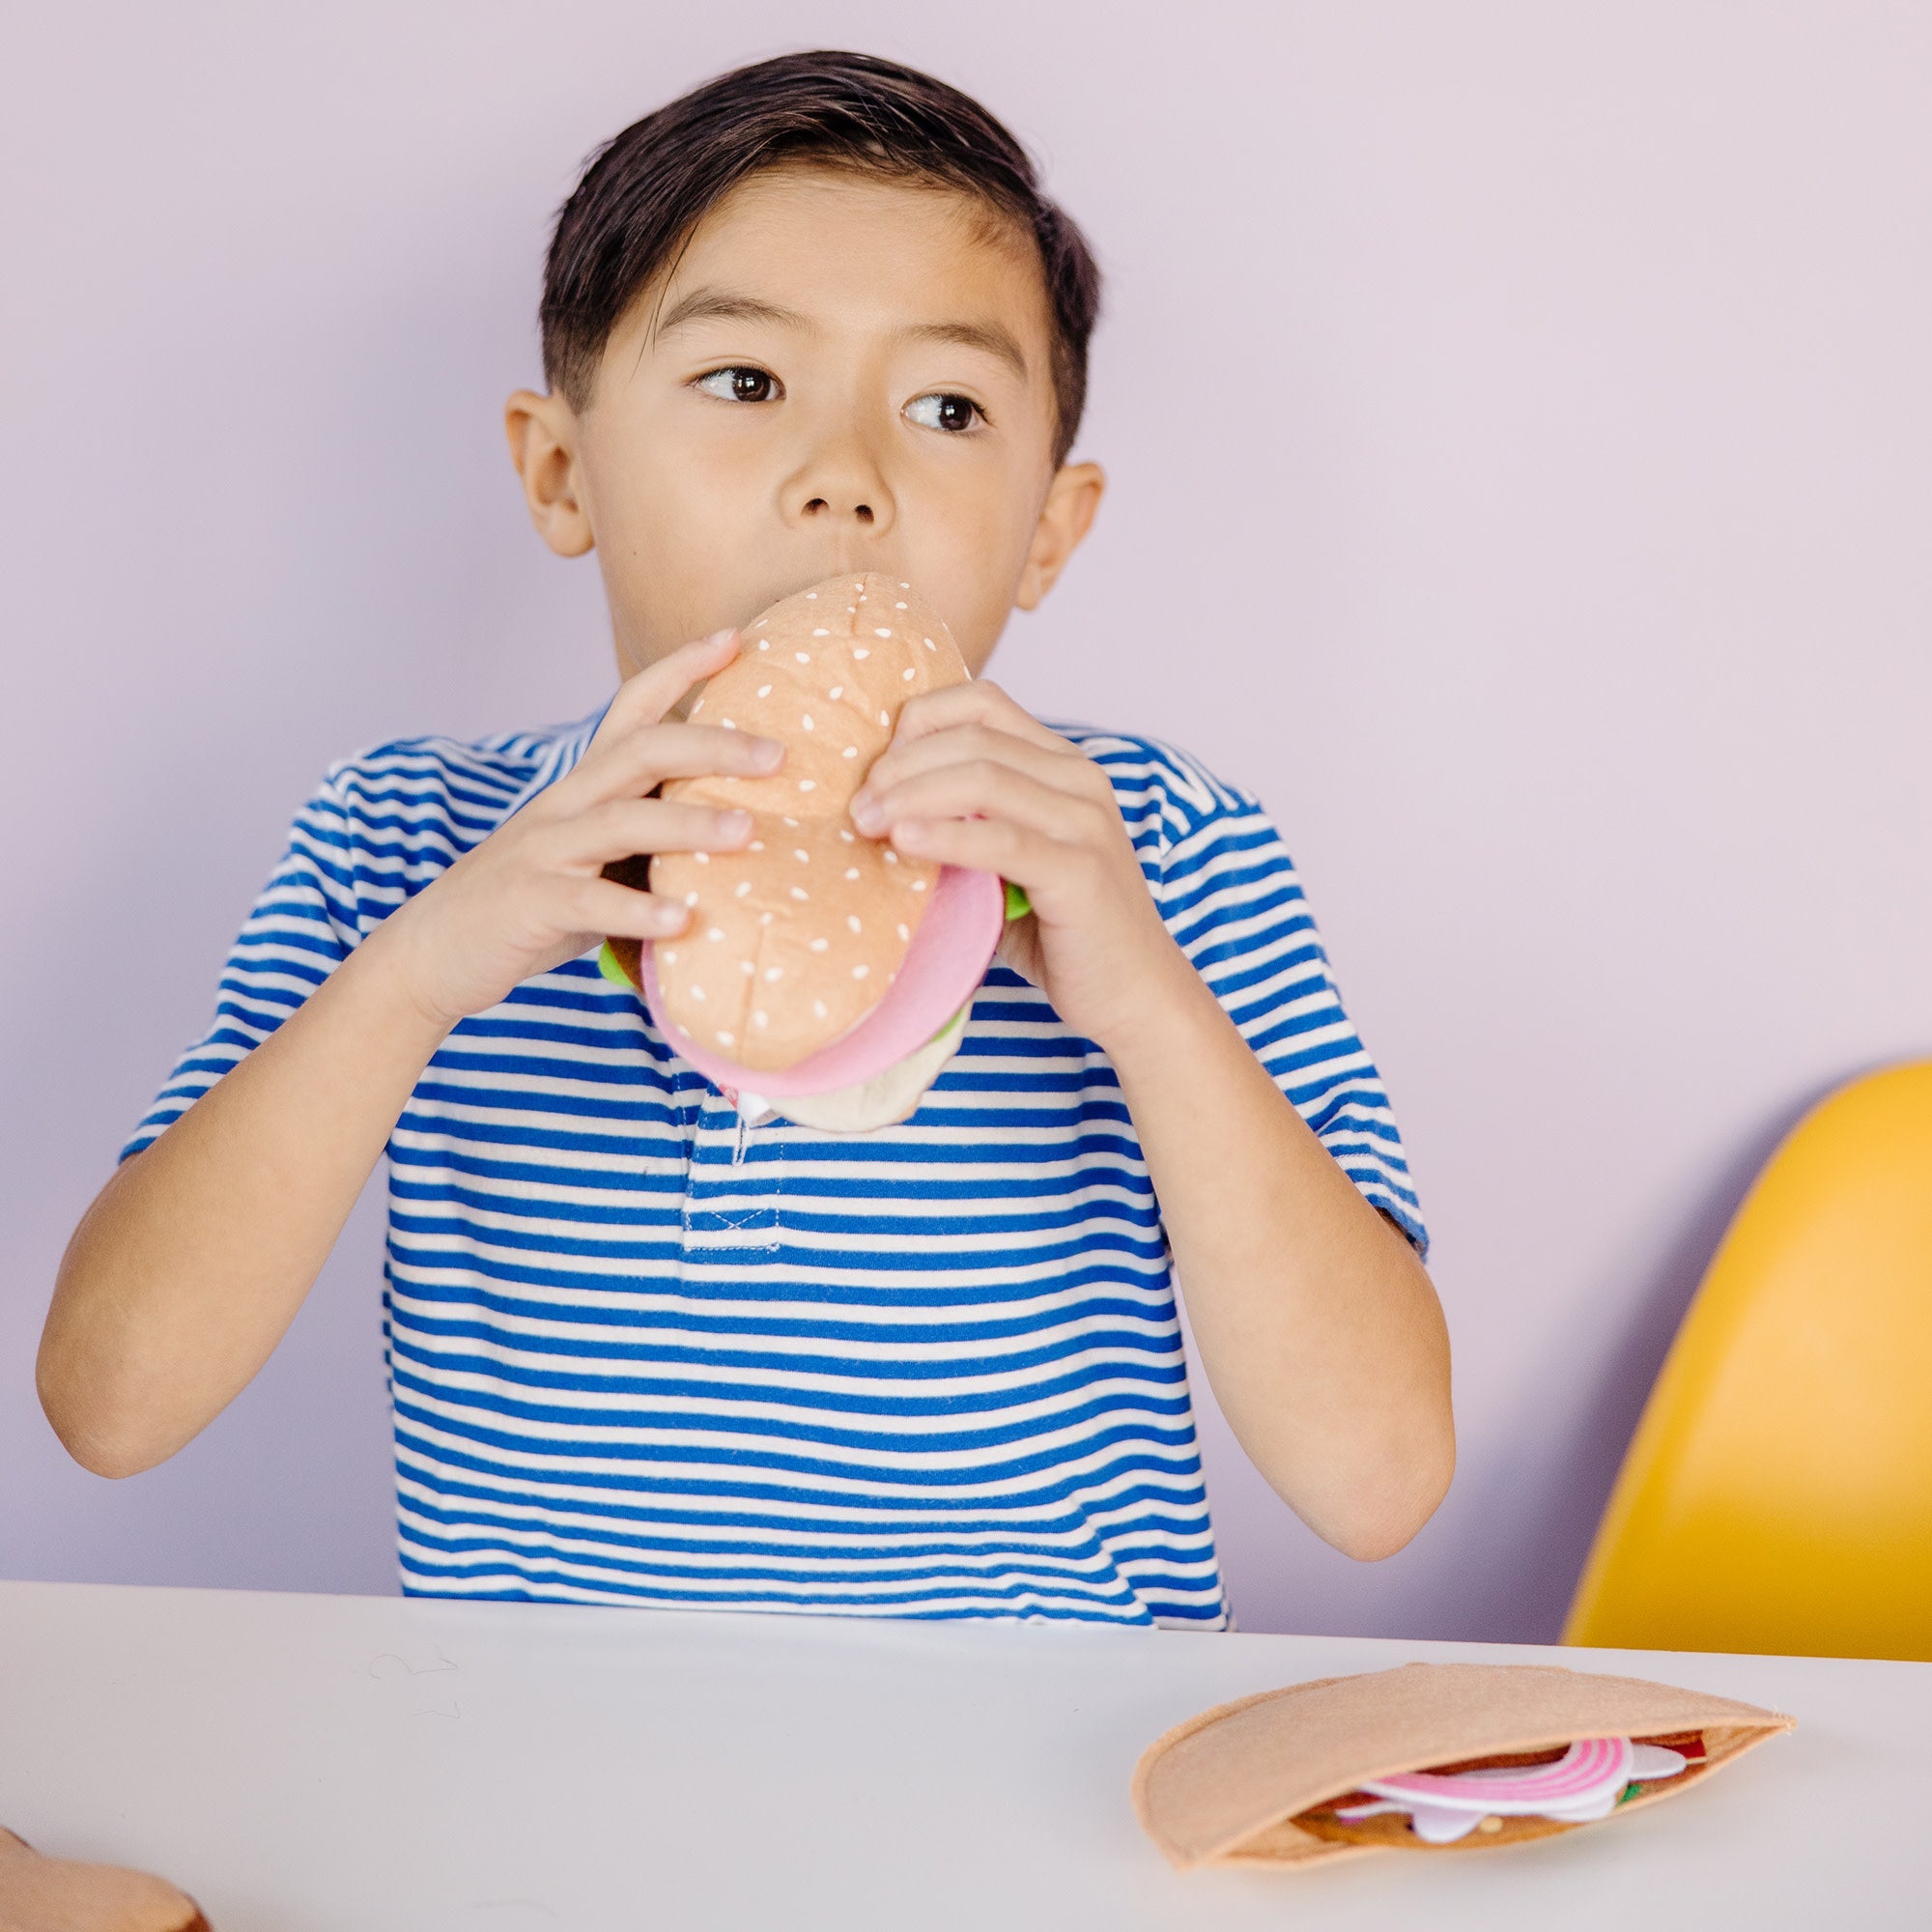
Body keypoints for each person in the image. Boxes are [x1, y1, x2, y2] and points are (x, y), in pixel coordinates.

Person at [40, 50, 1452, 1627]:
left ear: (1050, 530)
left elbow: (1377, 1481)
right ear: (560, 469)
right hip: (554, 1798)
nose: (844, 482)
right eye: (745, 382)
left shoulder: (1165, 855)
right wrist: (423, 970)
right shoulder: (404, 840)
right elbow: (111, 1403)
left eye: (947, 407)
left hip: (1029, 1786)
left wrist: (1149, 1008)